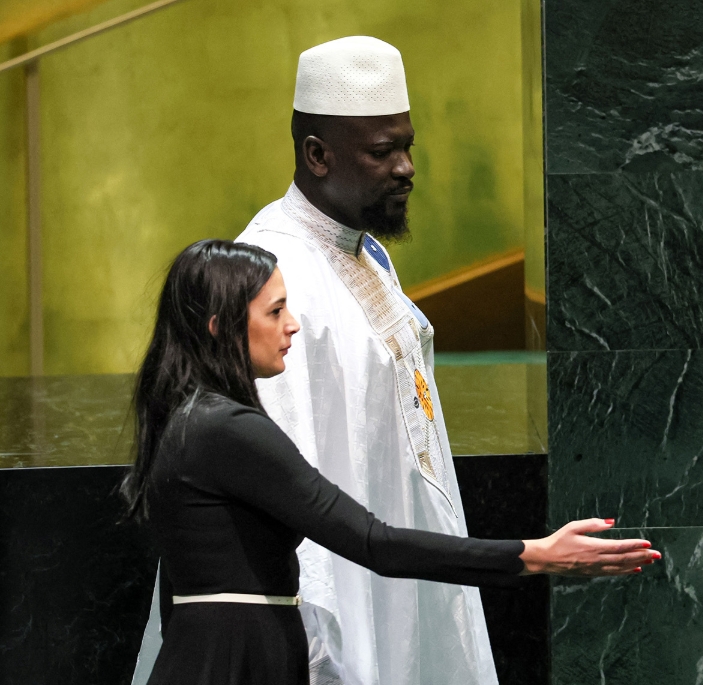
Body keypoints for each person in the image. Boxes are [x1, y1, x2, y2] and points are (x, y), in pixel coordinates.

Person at [122, 239, 656, 685]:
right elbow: (373, 542)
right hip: (234, 659)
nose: (293, 326)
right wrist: (534, 554)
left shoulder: (192, 420)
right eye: (275, 311)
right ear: (219, 326)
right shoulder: (227, 430)